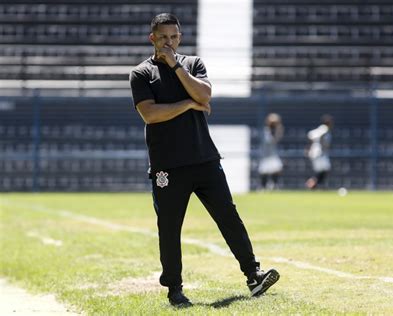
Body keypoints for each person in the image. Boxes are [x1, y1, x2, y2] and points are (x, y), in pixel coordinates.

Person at [129, 13, 279, 307]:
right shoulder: (142, 73)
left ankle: (254, 275)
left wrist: (176, 66)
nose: (169, 43)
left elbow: (205, 93)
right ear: (152, 39)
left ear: (180, 37)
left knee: (229, 216)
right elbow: (151, 114)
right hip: (167, 166)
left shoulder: (193, 64)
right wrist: (188, 104)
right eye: (163, 38)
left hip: (204, 159)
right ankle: (175, 289)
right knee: (170, 228)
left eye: (173, 37)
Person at [305, 115, 334, 189]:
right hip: (319, 153)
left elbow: (311, 135)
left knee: (323, 170)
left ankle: (315, 184)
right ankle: (313, 183)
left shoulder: (321, 128)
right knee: (324, 169)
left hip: (317, 153)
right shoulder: (324, 129)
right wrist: (322, 144)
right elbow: (318, 136)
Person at [258, 113, 284, 190]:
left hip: (273, 154)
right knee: (264, 172)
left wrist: (278, 130)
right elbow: (269, 141)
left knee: (277, 169)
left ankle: (274, 185)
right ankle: (263, 187)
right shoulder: (265, 131)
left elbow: (277, 139)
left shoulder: (275, 130)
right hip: (265, 155)